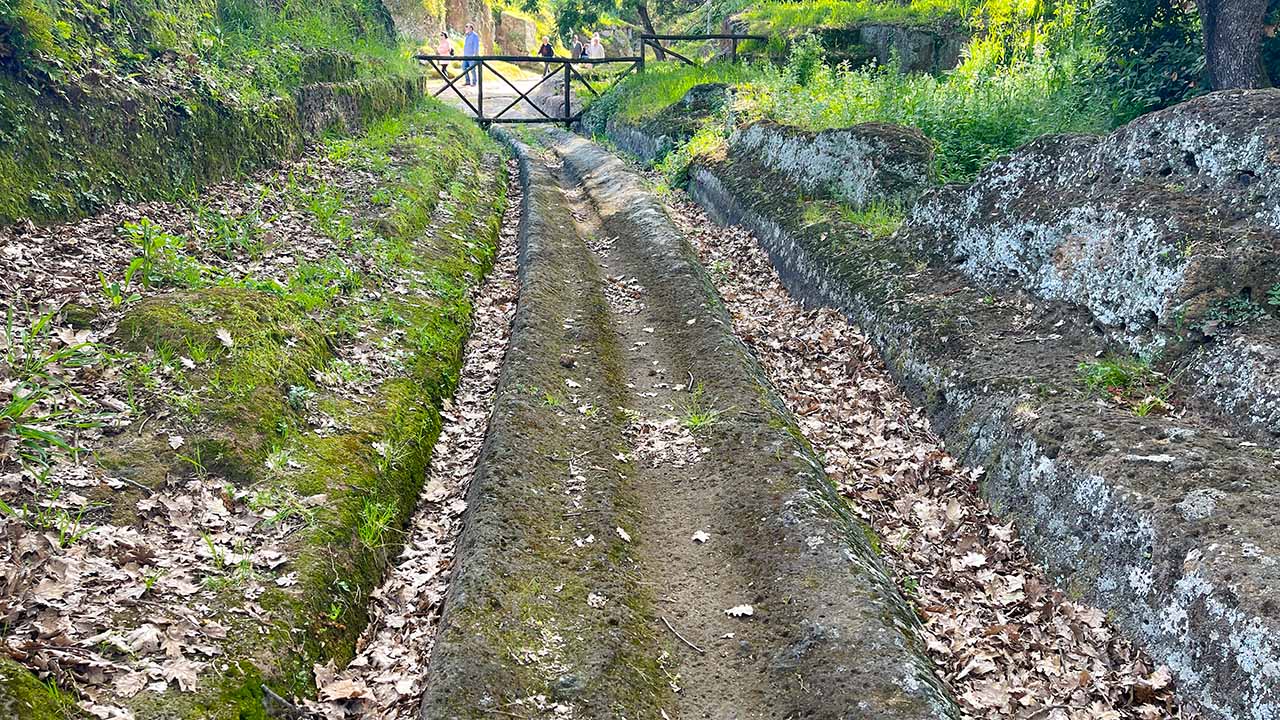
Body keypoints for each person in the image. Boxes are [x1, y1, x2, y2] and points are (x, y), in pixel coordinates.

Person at [462, 23, 480, 87]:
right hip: (465, 56)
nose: (466, 28)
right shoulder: (467, 36)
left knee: (472, 70)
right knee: (463, 67)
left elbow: (476, 46)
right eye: (466, 27)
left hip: (472, 56)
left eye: (467, 27)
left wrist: (476, 56)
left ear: (471, 28)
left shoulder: (475, 36)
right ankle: (467, 81)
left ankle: (474, 82)